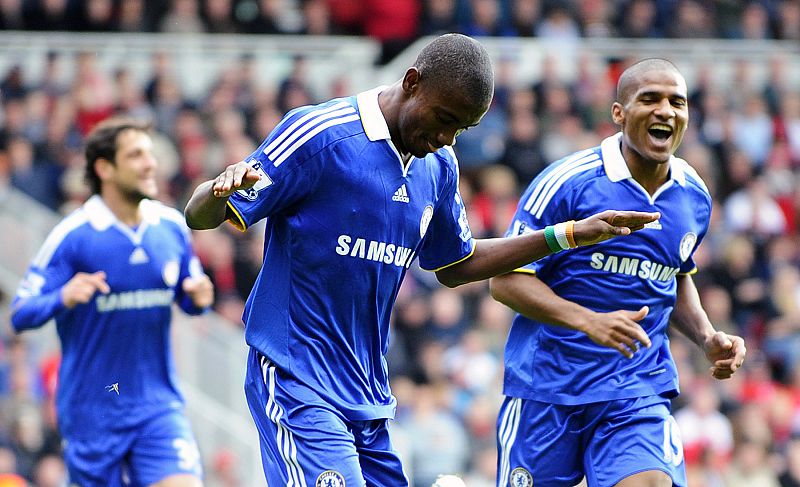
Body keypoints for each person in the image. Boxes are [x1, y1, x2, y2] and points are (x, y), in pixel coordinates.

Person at [184, 33, 659, 486]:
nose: (447, 137)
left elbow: (456, 265)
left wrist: (568, 235)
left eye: (462, 128)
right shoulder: (321, 134)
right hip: (296, 375)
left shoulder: (439, 166)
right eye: (444, 118)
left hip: (367, 393)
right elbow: (201, 215)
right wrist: (215, 191)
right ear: (412, 82)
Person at [489, 58, 747, 487]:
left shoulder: (693, 196)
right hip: (548, 388)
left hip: (636, 388)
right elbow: (505, 280)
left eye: (677, 102)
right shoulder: (567, 183)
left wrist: (706, 336)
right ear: (619, 113)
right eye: (650, 99)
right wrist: (589, 321)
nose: (665, 110)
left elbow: (674, 274)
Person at [11, 118, 214, 487]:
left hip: (157, 405)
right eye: (136, 155)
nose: (150, 164)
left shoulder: (170, 227)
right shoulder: (73, 235)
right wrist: (63, 296)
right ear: (105, 168)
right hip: (94, 411)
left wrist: (199, 298)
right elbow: (21, 313)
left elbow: (190, 296)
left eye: (150, 154)